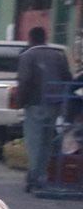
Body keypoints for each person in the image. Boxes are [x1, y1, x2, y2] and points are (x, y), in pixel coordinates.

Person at [15, 26, 73, 192]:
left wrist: (20, 102)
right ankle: (41, 176)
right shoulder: (58, 55)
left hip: (35, 104)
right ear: (45, 38)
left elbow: (24, 80)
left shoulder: (27, 56)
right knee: (47, 142)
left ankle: (34, 178)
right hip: (55, 104)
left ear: (30, 38)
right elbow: (67, 78)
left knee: (34, 143)